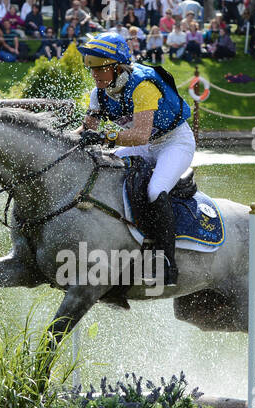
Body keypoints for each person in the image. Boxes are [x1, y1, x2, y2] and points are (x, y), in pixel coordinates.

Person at [76, 32, 194, 286]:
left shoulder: (143, 87)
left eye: (99, 69)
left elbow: (140, 135)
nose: (94, 74)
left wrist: (106, 137)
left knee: (154, 190)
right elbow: (86, 130)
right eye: (91, 69)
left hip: (174, 143)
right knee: (104, 169)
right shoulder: (100, 93)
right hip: (146, 145)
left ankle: (167, 264)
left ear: (117, 66)